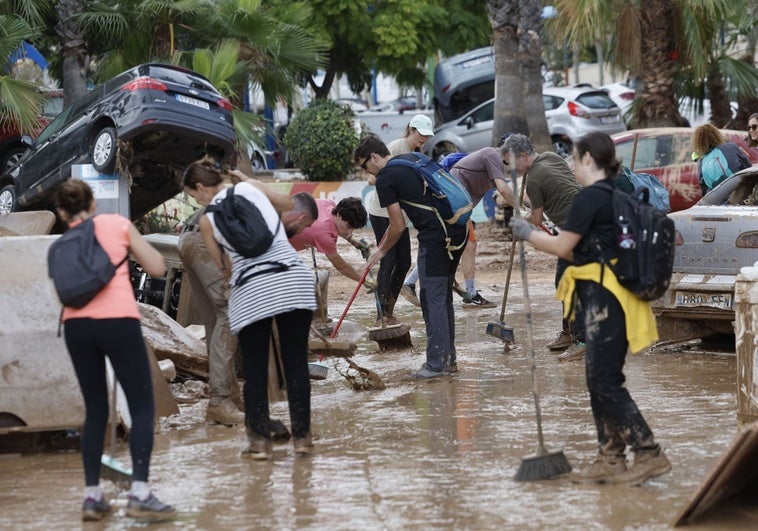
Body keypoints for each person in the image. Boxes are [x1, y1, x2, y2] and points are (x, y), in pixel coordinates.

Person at [510, 131, 671, 486]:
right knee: (597, 378)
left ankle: (648, 452)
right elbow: (578, 251)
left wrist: (526, 231)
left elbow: (564, 246)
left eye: (573, 159)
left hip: (607, 298)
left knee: (604, 379)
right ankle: (610, 456)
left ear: (586, 160)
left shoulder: (591, 199)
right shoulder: (614, 194)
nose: (570, 166)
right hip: (614, 295)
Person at [54, 179, 176, 521]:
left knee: (94, 411)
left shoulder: (59, 245)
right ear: (93, 205)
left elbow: (62, 296)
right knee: (141, 407)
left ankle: (92, 497)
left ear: (62, 212)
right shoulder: (116, 225)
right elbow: (157, 267)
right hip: (118, 321)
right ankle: (139, 493)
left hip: (76, 328)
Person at [183, 158, 317, 460]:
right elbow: (288, 203)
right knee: (296, 362)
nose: (197, 200)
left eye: (195, 195)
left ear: (202, 188)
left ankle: (258, 444)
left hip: (252, 291)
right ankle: (303, 439)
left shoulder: (207, 219)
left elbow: (224, 267)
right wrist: (247, 179)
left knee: (255, 369)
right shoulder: (251, 187)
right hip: (292, 279)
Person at [356, 134, 467, 378]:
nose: (368, 172)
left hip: (436, 237)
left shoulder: (385, 178)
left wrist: (381, 252)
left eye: (365, 166)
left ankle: (438, 364)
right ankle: (449, 360)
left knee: (431, 298)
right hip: (457, 231)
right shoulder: (411, 158)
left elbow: (396, 226)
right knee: (442, 295)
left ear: (374, 157)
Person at [501, 133, 585, 360]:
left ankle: (581, 340)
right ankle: (569, 333)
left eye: (513, 161)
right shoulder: (550, 156)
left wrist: (521, 220)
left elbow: (537, 220)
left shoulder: (535, 176)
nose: (512, 168)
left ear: (524, 155)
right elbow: (555, 188)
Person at [367, 115, 433, 321]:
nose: (423, 138)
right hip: (381, 212)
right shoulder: (395, 148)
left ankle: (389, 309)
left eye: (426, 135)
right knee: (388, 260)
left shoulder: (417, 154)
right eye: (420, 133)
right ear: (411, 130)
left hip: (400, 216)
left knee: (404, 262)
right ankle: (381, 315)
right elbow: (372, 178)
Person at [289, 197, 374, 301]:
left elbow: (337, 227)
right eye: (348, 226)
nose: (350, 231)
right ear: (338, 215)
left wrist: (352, 240)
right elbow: (341, 266)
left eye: (353, 228)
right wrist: (363, 281)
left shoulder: (330, 204)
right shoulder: (324, 234)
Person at [693, 123, 751, 194]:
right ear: (716, 135)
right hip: (740, 193)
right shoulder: (731, 147)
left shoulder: (701, 162)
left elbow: (704, 188)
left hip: (720, 200)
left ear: (698, 142)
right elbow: (748, 167)